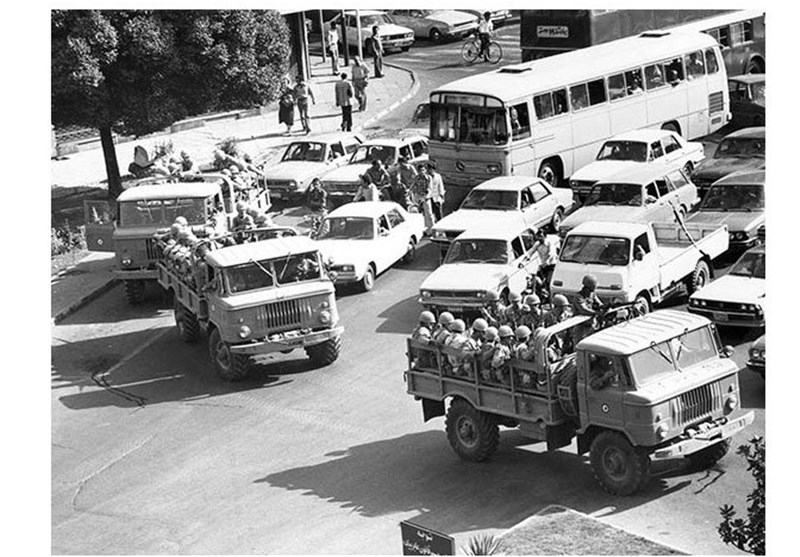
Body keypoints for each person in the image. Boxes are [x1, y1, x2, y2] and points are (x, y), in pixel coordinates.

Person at [573, 274, 604, 343]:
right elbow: (583, 310)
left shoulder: (592, 294)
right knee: (578, 344)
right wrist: (597, 313)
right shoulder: (579, 297)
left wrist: (605, 307)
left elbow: (599, 304)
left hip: (591, 324)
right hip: (581, 326)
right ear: (590, 286)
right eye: (594, 286)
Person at [411, 164, 435, 233]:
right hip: (418, 196)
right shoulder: (417, 178)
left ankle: (432, 230)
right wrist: (410, 191)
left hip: (426, 197)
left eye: (423, 170)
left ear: (425, 170)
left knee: (429, 214)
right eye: (420, 170)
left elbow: (430, 188)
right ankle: (422, 230)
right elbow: (414, 185)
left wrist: (426, 196)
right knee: (418, 214)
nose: (422, 172)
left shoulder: (428, 178)